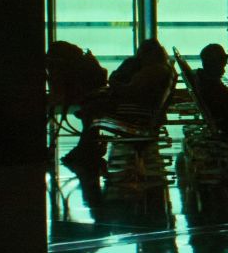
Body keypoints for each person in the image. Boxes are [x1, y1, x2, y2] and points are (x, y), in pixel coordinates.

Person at [63, 38, 173, 170]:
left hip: (137, 113)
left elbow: (130, 92)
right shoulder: (159, 69)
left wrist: (114, 84)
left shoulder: (151, 71)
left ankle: (85, 149)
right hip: (143, 110)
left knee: (93, 110)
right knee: (93, 108)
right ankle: (86, 148)